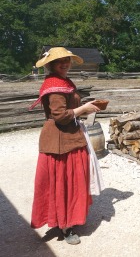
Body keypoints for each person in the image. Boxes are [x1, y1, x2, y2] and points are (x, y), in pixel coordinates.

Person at [29, 47, 103, 245]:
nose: (65, 64)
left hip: (70, 138)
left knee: (71, 182)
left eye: (67, 60)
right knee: (64, 184)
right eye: (60, 61)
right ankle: (65, 226)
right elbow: (60, 116)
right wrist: (83, 109)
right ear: (51, 65)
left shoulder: (63, 81)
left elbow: (69, 108)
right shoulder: (54, 84)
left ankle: (68, 219)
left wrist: (85, 106)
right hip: (60, 141)